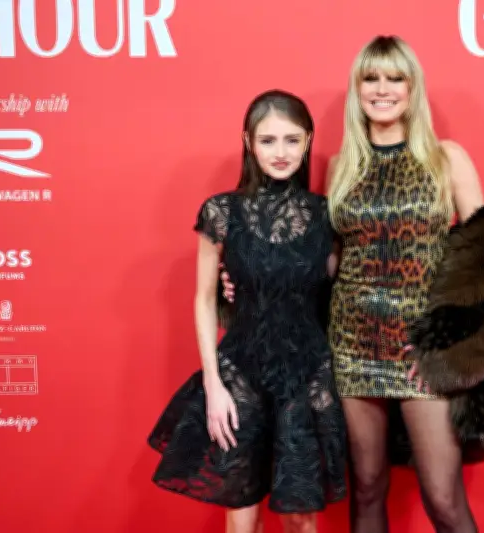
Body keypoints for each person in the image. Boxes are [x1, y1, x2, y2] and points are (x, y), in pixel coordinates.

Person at [221, 36, 484, 533]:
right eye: (371, 78)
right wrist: (249, 279)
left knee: (444, 499)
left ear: (412, 87)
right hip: (353, 345)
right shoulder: (342, 167)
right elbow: (327, 260)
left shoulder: (447, 159)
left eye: (394, 78)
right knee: (368, 488)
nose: (382, 89)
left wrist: (456, 347)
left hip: (420, 349)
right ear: (357, 89)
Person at [147, 89, 347, 533]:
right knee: (241, 515)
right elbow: (203, 299)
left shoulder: (326, 215)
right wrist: (213, 385)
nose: (281, 152)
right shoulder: (222, 212)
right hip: (241, 374)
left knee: (301, 516)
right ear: (248, 142)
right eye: (268, 140)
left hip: (308, 376)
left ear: (308, 141)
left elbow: (338, 292)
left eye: (292, 140)